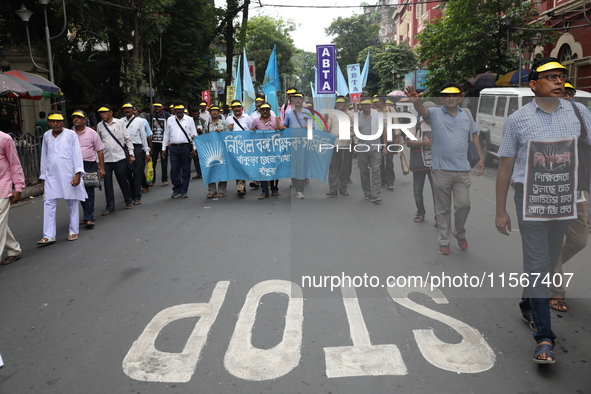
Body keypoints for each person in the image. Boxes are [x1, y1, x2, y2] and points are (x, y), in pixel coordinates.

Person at [495, 58, 591, 364]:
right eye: (550, 77)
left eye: (561, 76)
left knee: (547, 262)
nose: (559, 81)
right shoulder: (517, 120)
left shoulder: (579, 112)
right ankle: (545, 337)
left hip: (564, 200)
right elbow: (505, 167)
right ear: (533, 85)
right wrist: (500, 210)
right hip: (529, 201)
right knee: (538, 264)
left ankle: (528, 306)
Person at [405, 83, 484, 255]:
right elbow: (423, 111)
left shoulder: (468, 114)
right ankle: (444, 240)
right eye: (446, 95)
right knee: (443, 208)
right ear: (441, 98)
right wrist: (415, 102)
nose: (450, 97)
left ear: (460, 97)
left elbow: (475, 136)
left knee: (464, 205)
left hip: (462, 170)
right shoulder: (434, 113)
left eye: (454, 94)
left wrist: (481, 158)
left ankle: (459, 232)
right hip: (440, 170)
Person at [548, 80, 591, 312]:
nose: (565, 96)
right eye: (561, 92)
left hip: (578, 188)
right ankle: (556, 290)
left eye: (569, 92)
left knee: (579, 240)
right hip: (551, 188)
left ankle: (547, 266)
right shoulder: (543, 115)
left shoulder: (581, 112)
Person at [37, 111, 87, 245]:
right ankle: (48, 235)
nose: (55, 123)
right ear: (49, 123)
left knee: (72, 202)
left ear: (63, 122)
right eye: (52, 121)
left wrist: (78, 174)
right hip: (51, 175)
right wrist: (43, 175)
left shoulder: (71, 135)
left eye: (58, 121)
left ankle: (73, 231)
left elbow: (77, 154)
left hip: (68, 174)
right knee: (48, 203)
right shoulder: (47, 135)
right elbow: (44, 156)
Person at [96, 105, 135, 215]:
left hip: (120, 157)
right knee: (107, 183)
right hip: (106, 158)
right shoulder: (100, 125)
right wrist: (98, 161)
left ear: (111, 113)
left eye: (104, 112)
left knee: (122, 179)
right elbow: (98, 143)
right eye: (101, 113)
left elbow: (127, 138)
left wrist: (131, 154)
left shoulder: (119, 123)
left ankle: (128, 200)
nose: (102, 114)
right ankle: (110, 207)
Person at [72, 110, 105, 229]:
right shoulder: (70, 134)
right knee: (79, 190)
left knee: (89, 189)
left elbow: (100, 150)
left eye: (79, 117)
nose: (76, 119)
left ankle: (89, 217)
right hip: (75, 165)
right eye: (74, 117)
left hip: (89, 164)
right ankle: (88, 214)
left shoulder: (92, 133)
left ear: (85, 119)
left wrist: (101, 167)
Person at [406, 101, 437, 223]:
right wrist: (422, 143)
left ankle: (438, 217)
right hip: (419, 162)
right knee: (417, 190)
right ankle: (420, 212)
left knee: (437, 191)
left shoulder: (440, 124)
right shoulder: (416, 125)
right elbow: (408, 142)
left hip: (435, 163)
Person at [0, 130, 25, 264]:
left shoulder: (5, 139)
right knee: (1, 223)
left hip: (2, 187)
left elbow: (15, 164)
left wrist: (18, 187)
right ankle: (14, 249)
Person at [163, 103, 197, 198]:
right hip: (174, 148)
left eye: (181, 109)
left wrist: (194, 148)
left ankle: (184, 190)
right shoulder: (170, 120)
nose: (179, 111)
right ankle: (176, 188)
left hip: (186, 147)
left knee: (186, 170)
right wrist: (163, 148)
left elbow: (194, 134)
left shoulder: (189, 120)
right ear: (174, 111)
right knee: (174, 169)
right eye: (177, 110)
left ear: (183, 110)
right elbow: (166, 134)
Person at [283, 92, 313, 199]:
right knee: (293, 165)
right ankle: (295, 182)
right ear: (292, 101)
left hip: (304, 143)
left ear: (303, 100)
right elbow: (285, 126)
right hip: (292, 143)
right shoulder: (288, 113)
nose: (297, 101)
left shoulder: (308, 112)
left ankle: (300, 190)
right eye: (295, 99)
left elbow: (311, 128)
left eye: (300, 99)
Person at [121, 103, 150, 205]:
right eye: (125, 108)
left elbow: (143, 136)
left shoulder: (140, 121)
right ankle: (131, 194)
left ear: (133, 109)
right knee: (127, 172)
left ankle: (137, 196)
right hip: (125, 149)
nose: (127, 110)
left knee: (137, 173)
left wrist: (147, 151)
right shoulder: (120, 121)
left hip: (137, 148)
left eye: (129, 108)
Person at [252, 102, 282, 199]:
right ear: (260, 110)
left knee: (274, 169)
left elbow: (282, 132)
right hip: (261, 150)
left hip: (274, 148)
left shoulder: (276, 120)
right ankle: (264, 191)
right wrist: (252, 130)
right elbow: (251, 133)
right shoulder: (255, 121)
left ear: (270, 110)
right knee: (262, 170)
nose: (265, 111)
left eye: (267, 109)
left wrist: (279, 129)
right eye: (263, 109)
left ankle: (274, 188)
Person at [356, 98, 383, 204]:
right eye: (364, 105)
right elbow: (354, 131)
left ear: (371, 105)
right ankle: (367, 192)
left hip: (375, 147)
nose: (366, 106)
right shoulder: (357, 116)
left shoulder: (377, 115)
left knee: (376, 170)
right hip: (362, 148)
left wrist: (384, 146)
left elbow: (383, 131)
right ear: (361, 106)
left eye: (368, 105)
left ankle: (376, 194)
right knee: (364, 171)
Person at [325, 96, 353, 197]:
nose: (339, 104)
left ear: (346, 104)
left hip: (346, 145)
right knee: (333, 168)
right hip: (334, 144)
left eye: (341, 103)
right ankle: (333, 189)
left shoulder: (352, 115)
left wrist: (357, 144)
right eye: (337, 103)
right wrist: (325, 121)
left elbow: (356, 131)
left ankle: (343, 188)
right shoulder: (332, 115)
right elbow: (327, 131)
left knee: (345, 168)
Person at [227, 100, 253, 197]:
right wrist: (229, 128)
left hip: (246, 146)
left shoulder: (247, 118)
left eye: (238, 107)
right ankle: (240, 186)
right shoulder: (228, 119)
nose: (237, 109)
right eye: (235, 107)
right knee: (238, 166)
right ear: (232, 109)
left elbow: (251, 130)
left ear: (241, 108)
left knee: (247, 165)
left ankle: (256, 180)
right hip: (234, 148)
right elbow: (226, 133)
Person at [373, 96, 399, 191]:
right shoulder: (375, 112)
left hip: (390, 137)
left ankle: (390, 181)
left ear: (382, 101)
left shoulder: (391, 109)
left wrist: (397, 137)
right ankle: (382, 180)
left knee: (389, 160)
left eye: (377, 102)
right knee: (379, 160)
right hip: (379, 138)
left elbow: (395, 123)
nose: (375, 103)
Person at [203, 105, 229, 198]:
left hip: (221, 150)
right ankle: (211, 190)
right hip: (210, 151)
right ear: (210, 113)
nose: (214, 112)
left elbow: (228, 135)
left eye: (216, 111)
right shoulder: (207, 124)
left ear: (219, 113)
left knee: (222, 170)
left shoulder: (224, 123)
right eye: (212, 111)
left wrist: (221, 132)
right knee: (210, 170)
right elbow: (204, 137)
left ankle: (221, 190)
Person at [149, 102, 170, 187]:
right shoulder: (152, 116)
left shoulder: (167, 115)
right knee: (153, 161)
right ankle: (152, 179)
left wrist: (169, 140)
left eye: (158, 106)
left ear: (162, 107)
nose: (157, 108)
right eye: (155, 107)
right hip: (154, 141)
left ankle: (164, 180)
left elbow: (169, 128)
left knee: (164, 161)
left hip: (163, 141)